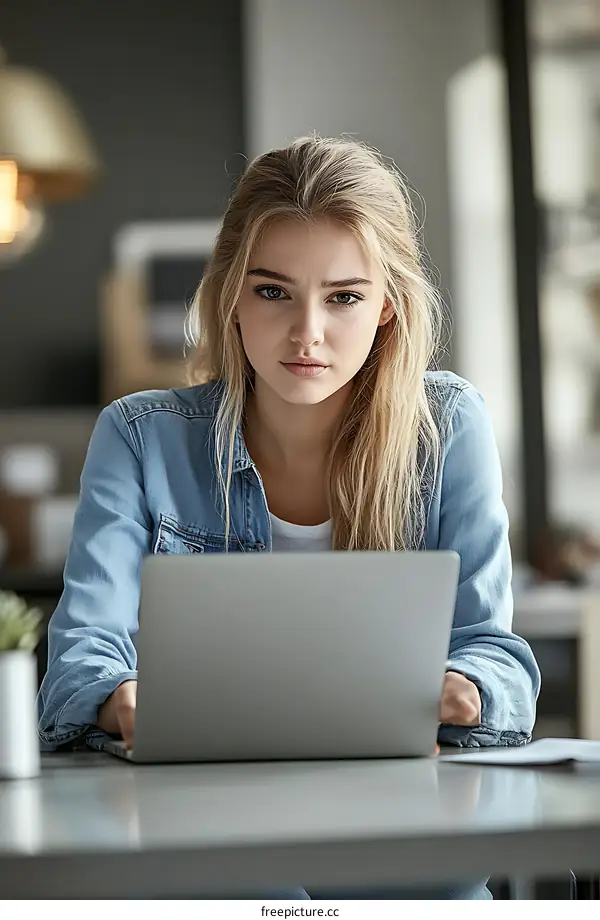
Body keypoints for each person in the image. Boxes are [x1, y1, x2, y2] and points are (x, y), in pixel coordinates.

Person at [38, 135, 540, 899]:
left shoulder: (448, 425)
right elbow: (80, 662)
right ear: (231, 298)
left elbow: (495, 658)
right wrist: (122, 702)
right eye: (273, 291)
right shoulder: (140, 437)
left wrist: (462, 688)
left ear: (387, 308)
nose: (308, 332)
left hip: (404, 851)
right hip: (199, 845)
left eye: (343, 296)